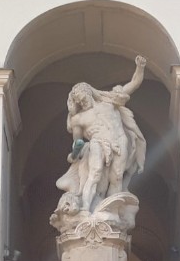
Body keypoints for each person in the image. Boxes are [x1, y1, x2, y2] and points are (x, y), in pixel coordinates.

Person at [63, 56, 147, 214]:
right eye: (80, 102)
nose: (83, 103)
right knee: (95, 174)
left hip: (119, 142)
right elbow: (77, 142)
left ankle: (110, 212)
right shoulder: (78, 119)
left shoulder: (109, 101)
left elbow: (134, 84)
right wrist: (75, 152)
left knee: (117, 177)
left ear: (89, 93)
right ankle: (86, 209)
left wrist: (140, 67)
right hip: (97, 143)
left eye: (84, 99)